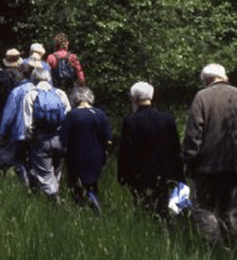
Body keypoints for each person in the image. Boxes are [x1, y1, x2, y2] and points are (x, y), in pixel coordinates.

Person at [182, 63, 237, 246]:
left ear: (206, 80)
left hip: (206, 168)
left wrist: (189, 160)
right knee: (230, 211)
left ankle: (215, 250)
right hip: (235, 165)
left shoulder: (201, 97)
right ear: (224, 77)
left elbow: (194, 134)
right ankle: (231, 248)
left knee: (204, 208)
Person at [118, 82, 184, 217]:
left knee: (145, 210)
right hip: (166, 173)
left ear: (134, 98)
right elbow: (175, 148)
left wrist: (123, 175)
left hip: (141, 175)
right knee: (166, 210)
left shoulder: (131, 121)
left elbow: (126, 152)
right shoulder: (167, 118)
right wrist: (179, 173)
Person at [60, 86, 112, 214]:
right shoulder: (100, 114)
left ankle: (80, 210)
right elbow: (109, 140)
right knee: (92, 184)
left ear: (75, 99)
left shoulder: (71, 115)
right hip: (96, 156)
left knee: (76, 186)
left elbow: (63, 139)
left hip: (76, 155)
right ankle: (94, 203)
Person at [22, 66, 72, 199]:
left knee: (44, 174)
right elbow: (68, 117)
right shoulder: (60, 93)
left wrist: (30, 139)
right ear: (48, 78)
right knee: (57, 171)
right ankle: (58, 195)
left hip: (41, 139)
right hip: (61, 139)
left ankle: (55, 201)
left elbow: (28, 123)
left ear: (33, 79)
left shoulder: (31, 95)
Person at [0, 62, 35, 186]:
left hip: (19, 132)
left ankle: (26, 185)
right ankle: (35, 185)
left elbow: (8, 115)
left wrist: (2, 133)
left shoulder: (16, 92)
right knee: (31, 160)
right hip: (35, 132)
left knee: (19, 160)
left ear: (20, 73)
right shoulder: (37, 89)